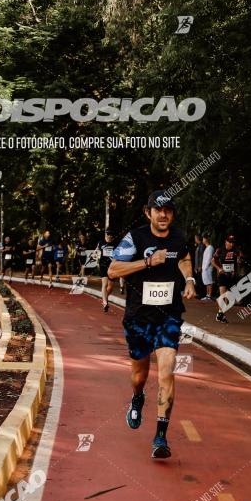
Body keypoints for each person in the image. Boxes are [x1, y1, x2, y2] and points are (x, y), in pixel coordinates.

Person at [107, 190, 196, 459]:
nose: (163, 214)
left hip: (168, 316)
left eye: (168, 210)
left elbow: (184, 258)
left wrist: (189, 280)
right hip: (138, 318)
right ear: (148, 213)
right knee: (140, 376)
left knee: (167, 371)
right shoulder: (135, 238)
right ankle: (137, 397)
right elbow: (112, 270)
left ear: (173, 214)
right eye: (158, 210)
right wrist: (147, 261)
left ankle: (160, 436)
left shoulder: (179, 238)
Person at [212, 233, 244, 323]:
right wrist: (219, 269)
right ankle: (222, 315)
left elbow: (240, 260)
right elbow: (213, 261)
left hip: (232, 276)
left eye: (233, 242)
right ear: (226, 242)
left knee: (228, 298)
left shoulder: (236, 250)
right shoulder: (220, 250)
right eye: (230, 242)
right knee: (223, 295)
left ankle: (220, 314)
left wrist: (239, 261)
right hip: (222, 275)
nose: (231, 244)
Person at [97, 228, 118, 312]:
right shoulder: (101, 243)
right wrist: (96, 256)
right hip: (103, 265)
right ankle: (105, 302)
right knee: (104, 284)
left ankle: (105, 297)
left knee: (110, 287)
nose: (109, 237)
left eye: (111, 235)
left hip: (112, 266)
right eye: (108, 235)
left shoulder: (115, 244)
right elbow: (96, 251)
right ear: (106, 235)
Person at [201, 233, 215, 301]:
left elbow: (209, 258)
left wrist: (205, 267)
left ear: (206, 239)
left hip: (208, 268)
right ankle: (207, 295)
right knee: (206, 282)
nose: (203, 240)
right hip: (205, 268)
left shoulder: (210, 247)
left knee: (209, 281)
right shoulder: (207, 248)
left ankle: (210, 296)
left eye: (203, 238)